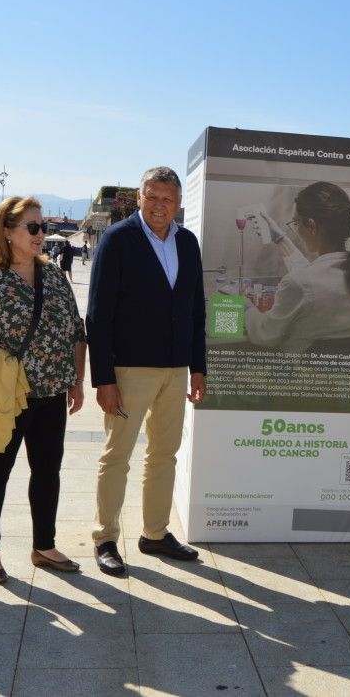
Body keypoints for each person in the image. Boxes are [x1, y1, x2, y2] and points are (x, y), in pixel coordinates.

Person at [0, 196, 87, 584]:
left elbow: (76, 331)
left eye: (43, 226)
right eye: (33, 227)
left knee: (48, 472)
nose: (41, 234)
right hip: (4, 396)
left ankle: (44, 545)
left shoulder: (54, 275)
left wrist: (76, 380)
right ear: (8, 232)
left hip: (50, 394)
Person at [86, 166, 207, 577]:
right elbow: (98, 314)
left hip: (175, 369)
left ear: (177, 203)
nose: (159, 206)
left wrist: (198, 368)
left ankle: (154, 532)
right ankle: (105, 537)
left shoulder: (187, 242)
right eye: (152, 197)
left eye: (167, 199)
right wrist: (103, 378)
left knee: (164, 455)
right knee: (117, 454)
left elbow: (196, 308)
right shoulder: (119, 240)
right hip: (129, 369)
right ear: (140, 198)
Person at [243, 182, 350, 352]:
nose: (296, 228)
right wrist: (280, 239)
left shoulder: (299, 282)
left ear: (311, 226)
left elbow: (265, 335)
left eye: (296, 223)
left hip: (301, 374)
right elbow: (313, 279)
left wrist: (247, 308)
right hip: (343, 372)